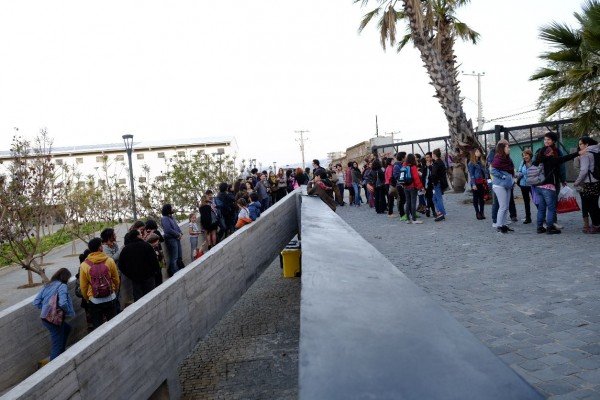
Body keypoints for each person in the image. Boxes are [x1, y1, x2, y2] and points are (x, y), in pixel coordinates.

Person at [532, 132, 580, 234]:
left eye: (548, 139)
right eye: (545, 139)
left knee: (541, 208)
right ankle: (550, 228)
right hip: (549, 186)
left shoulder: (539, 154)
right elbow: (563, 160)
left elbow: (533, 165)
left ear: (553, 141)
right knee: (551, 208)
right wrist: (578, 153)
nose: (546, 141)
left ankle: (539, 227)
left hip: (538, 186)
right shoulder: (552, 158)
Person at [33, 268, 75, 361]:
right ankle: (54, 363)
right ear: (65, 278)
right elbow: (63, 303)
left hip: (45, 318)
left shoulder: (48, 285)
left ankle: (61, 352)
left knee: (67, 329)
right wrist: (67, 311)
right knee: (57, 343)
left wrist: (46, 308)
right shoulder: (62, 286)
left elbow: (36, 302)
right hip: (54, 319)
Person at [79, 238, 120, 329]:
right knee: (113, 324)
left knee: (98, 327)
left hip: (94, 300)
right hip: (110, 297)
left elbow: (83, 286)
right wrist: (114, 290)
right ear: (100, 248)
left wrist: (88, 298)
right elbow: (116, 279)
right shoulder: (109, 261)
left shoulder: (84, 265)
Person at [118, 230, 160, 302]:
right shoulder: (146, 245)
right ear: (137, 236)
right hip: (149, 277)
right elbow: (154, 261)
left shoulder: (125, 249)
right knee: (151, 298)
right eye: (140, 234)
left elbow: (121, 265)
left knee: (139, 300)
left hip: (135, 279)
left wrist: (130, 275)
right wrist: (154, 272)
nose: (142, 235)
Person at [487, 140, 518, 226]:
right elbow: (492, 170)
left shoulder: (507, 159)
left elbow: (511, 170)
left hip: (507, 185)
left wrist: (513, 178)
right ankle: (498, 225)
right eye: (507, 147)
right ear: (502, 148)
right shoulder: (497, 158)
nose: (509, 149)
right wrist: (503, 176)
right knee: (502, 206)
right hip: (499, 185)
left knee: (506, 206)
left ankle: (504, 224)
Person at [573, 136, 599, 233]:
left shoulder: (585, 154)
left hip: (588, 183)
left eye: (581, 144)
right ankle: (596, 224)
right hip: (597, 181)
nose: (579, 146)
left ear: (586, 144)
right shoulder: (597, 151)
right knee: (595, 204)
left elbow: (583, 170)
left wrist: (577, 182)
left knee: (590, 206)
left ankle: (596, 225)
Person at [161, 203, 183, 276]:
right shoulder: (164, 218)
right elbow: (168, 229)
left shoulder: (171, 217)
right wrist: (177, 234)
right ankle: (174, 272)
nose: (172, 209)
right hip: (171, 239)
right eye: (171, 208)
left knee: (179, 255)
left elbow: (176, 226)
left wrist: (180, 233)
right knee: (174, 257)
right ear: (168, 209)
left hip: (176, 238)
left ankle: (179, 269)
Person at [402, 154, 425, 224]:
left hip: (405, 186)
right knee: (413, 203)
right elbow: (416, 178)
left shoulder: (404, 166)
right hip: (412, 187)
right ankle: (414, 219)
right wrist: (421, 187)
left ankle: (408, 219)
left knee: (407, 202)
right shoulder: (413, 167)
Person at [468, 149, 488, 220]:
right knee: (475, 198)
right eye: (477, 152)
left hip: (481, 182)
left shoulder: (480, 162)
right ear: (474, 153)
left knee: (482, 198)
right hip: (475, 183)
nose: (479, 153)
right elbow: (472, 175)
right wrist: (473, 184)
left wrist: (486, 179)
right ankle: (477, 213)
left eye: (479, 151)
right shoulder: (471, 163)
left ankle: (482, 212)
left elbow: (484, 172)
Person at [516, 149, 534, 224]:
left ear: (530, 155)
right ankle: (528, 218)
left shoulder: (533, 162)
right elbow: (519, 171)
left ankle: (542, 217)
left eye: (526, 155)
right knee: (526, 202)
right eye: (523, 156)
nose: (524, 157)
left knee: (537, 201)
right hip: (523, 184)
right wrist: (518, 174)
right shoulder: (522, 162)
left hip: (532, 184)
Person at [145, 219, 165, 286]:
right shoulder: (156, 231)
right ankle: (160, 284)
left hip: (152, 254)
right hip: (158, 251)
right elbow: (162, 239)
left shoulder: (146, 233)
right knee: (159, 269)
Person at [430, 149, 448, 221]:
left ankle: (441, 213)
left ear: (434, 155)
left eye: (432, 154)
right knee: (434, 198)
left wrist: (433, 181)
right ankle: (440, 212)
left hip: (437, 183)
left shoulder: (436, 163)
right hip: (440, 182)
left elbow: (434, 174)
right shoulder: (441, 162)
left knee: (438, 198)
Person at [392, 152, 408, 220]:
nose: (406, 158)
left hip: (404, 185)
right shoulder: (397, 166)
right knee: (402, 200)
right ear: (402, 158)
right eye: (405, 156)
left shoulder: (402, 164)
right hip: (400, 185)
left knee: (405, 199)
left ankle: (406, 213)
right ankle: (402, 214)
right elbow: (396, 176)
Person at [424, 152, 437, 217]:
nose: (427, 159)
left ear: (431, 157)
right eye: (426, 157)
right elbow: (424, 174)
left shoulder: (434, 164)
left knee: (430, 197)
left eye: (428, 157)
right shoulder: (425, 165)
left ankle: (428, 208)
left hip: (432, 183)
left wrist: (429, 166)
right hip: (426, 183)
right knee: (429, 197)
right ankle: (433, 211)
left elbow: (434, 173)